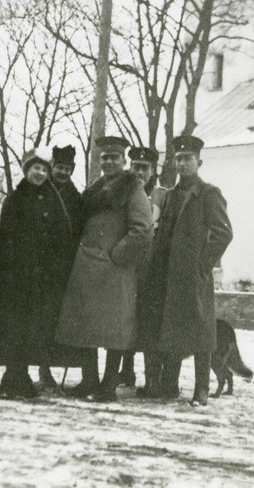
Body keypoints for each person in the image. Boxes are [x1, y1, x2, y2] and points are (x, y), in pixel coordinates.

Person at [136, 135, 233, 407]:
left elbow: (223, 233)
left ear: (198, 162)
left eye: (187, 159)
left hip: (193, 276)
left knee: (201, 331)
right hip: (167, 275)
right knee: (172, 329)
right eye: (178, 159)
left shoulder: (208, 194)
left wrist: (203, 264)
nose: (182, 164)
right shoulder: (170, 196)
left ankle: (201, 389)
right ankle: (169, 385)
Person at [55, 135, 153, 402]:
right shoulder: (94, 189)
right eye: (105, 157)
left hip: (114, 271)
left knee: (114, 330)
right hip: (87, 268)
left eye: (114, 157)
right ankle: (89, 381)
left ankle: (108, 385)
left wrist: (117, 256)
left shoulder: (133, 189)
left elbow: (143, 230)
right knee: (86, 327)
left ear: (123, 161)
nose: (109, 161)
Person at [0, 147, 74, 399]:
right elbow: (6, 238)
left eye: (44, 169)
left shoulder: (53, 199)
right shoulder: (14, 199)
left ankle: (19, 376)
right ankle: (14, 376)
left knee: (36, 328)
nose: (40, 173)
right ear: (26, 171)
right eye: (35, 168)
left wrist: (56, 266)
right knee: (16, 327)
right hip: (17, 275)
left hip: (44, 278)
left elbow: (64, 234)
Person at [117, 145, 168, 388]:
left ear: (153, 171)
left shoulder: (162, 196)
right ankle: (125, 371)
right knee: (126, 319)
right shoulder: (122, 193)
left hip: (153, 270)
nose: (139, 172)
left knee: (149, 323)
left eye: (144, 168)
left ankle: (152, 378)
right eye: (135, 166)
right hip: (128, 268)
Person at [38, 144, 84, 388]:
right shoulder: (39, 190)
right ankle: (37, 369)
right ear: (51, 167)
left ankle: (47, 369)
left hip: (62, 268)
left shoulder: (76, 198)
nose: (62, 172)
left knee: (56, 321)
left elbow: (78, 232)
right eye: (59, 167)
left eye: (67, 168)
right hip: (38, 266)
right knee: (36, 320)